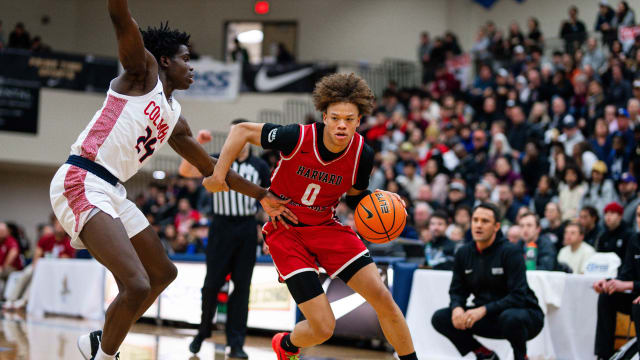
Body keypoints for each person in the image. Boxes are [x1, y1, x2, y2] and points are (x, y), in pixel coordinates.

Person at [48, 2, 293, 359]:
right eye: (185, 58)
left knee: (162, 273)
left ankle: (103, 340)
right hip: (82, 177)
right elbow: (121, 20)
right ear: (165, 61)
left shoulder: (174, 119)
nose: (191, 65)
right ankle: (105, 354)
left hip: (112, 190)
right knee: (136, 283)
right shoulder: (140, 74)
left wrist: (261, 195)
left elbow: (212, 167)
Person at [208, 73, 418, 360]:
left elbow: (357, 199)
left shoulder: (362, 154)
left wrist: (384, 203)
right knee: (323, 328)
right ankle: (287, 345)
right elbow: (240, 131)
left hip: (327, 228)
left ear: (359, 120)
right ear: (324, 116)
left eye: (349, 118)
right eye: (334, 117)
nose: (341, 124)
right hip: (286, 231)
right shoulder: (296, 136)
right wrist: (219, 174)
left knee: (383, 299)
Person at [179, 121, 271, 359]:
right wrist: (198, 143)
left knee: (242, 289)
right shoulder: (217, 160)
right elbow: (186, 172)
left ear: (247, 138)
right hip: (220, 227)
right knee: (211, 285)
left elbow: (269, 202)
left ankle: (236, 342)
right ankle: (203, 331)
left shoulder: (260, 165)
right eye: (232, 134)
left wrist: (270, 233)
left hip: (247, 229)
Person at [431, 203, 544, 360]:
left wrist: (483, 310)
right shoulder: (463, 253)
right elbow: (457, 290)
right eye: (475, 220)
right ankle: (484, 354)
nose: (478, 225)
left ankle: (521, 356)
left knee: (510, 317)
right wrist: (457, 307)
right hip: (489, 318)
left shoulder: (510, 252)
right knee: (441, 318)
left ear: (496, 226)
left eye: (485, 221)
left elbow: (518, 296)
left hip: (525, 316)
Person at [593, 204, 640, 359]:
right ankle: (603, 355)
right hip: (635, 294)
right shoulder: (635, 240)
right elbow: (625, 273)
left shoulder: (628, 235)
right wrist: (609, 282)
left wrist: (630, 285)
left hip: (637, 297)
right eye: (638, 215)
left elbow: (628, 282)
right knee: (607, 295)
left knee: (638, 305)